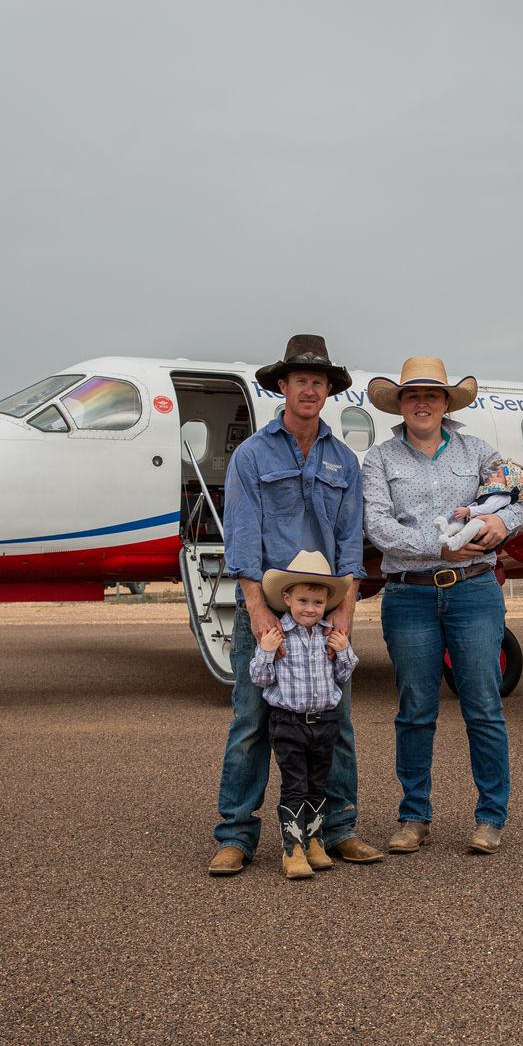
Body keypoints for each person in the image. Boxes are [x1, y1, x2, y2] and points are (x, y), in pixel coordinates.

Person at [208, 334, 383, 876]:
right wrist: (259, 614)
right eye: (301, 380)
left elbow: (350, 543)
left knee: (337, 721)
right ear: (282, 386)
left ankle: (338, 829)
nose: (310, 389)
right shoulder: (252, 455)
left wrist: (345, 614)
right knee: (251, 720)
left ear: (329, 391)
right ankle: (236, 834)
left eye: (319, 381)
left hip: (325, 612)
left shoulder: (344, 461)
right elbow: (243, 537)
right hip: (268, 611)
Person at [360, 356, 523, 855]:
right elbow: (377, 525)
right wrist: (438, 546)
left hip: (474, 591)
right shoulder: (379, 460)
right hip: (409, 594)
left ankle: (491, 817)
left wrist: (502, 523)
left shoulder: (478, 451)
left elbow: (517, 496)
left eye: (431, 395)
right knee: (415, 709)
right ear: (400, 404)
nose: (422, 403)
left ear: (446, 403)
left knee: (483, 705)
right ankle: (414, 816)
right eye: (413, 395)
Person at [249, 551, 359, 879]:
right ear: (287, 598)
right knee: (295, 785)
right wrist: (266, 651)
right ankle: (292, 849)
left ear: (326, 603)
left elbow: (343, 674)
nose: (310, 608)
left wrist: (344, 650)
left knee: (317, 784)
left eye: (317, 602)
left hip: (325, 721)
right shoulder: (277, 635)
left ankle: (314, 841)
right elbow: (260, 678)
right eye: (303, 601)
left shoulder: (329, 634)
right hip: (288, 723)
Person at [435, 459, 523, 552]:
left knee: (474, 524)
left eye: (498, 475)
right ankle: (448, 530)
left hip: (483, 528)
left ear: (509, 485)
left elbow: (487, 508)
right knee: (460, 526)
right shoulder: (493, 493)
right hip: (474, 524)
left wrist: (468, 511)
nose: (492, 474)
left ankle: (455, 542)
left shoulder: (502, 497)